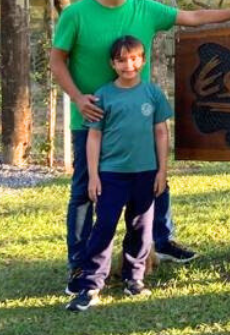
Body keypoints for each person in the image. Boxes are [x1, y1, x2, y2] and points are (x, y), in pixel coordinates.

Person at [51, 0, 230, 294]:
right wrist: (79, 99)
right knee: (85, 191)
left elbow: (194, 17)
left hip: (138, 122)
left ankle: (162, 241)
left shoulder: (145, 10)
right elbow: (57, 63)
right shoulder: (76, 15)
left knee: (156, 181)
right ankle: (80, 264)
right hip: (93, 121)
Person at [66, 36, 170, 311]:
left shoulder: (153, 94)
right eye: (122, 60)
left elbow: (161, 132)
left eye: (134, 58)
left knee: (141, 227)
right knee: (104, 227)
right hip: (111, 174)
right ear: (113, 63)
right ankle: (91, 283)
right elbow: (94, 137)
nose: (129, 65)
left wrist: (162, 171)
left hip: (146, 173)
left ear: (143, 60)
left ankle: (134, 278)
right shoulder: (103, 96)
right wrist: (94, 175)